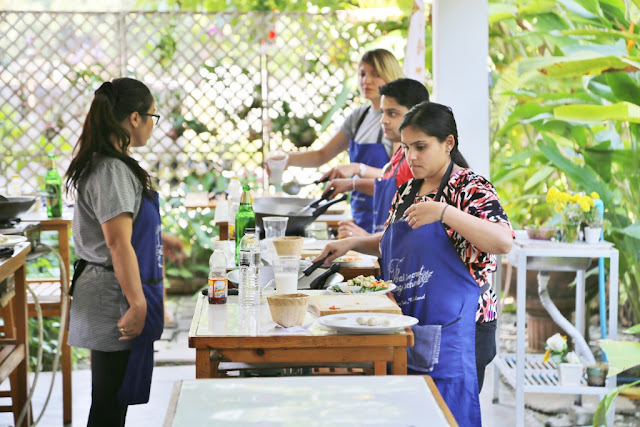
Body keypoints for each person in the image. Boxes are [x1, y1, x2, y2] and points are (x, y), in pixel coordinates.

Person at [314, 102, 513, 426]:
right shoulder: (407, 189)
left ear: (448, 143)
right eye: (406, 148)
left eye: (421, 147)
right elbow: (395, 243)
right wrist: (351, 243)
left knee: (447, 415)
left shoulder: (470, 187)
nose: (412, 156)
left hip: (460, 328)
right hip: (407, 320)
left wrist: (444, 212)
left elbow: (503, 241)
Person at [65, 77, 185, 426]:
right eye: (152, 116)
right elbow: (116, 243)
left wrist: (164, 238)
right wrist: (137, 302)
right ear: (134, 118)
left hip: (110, 287)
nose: (151, 124)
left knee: (115, 398)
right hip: (110, 294)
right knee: (109, 403)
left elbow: (122, 230)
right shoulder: (112, 169)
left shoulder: (113, 163)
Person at [265, 49, 404, 233]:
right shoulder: (358, 117)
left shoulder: (397, 120)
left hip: (387, 216)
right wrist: (286, 160)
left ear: (390, 75)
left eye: (375, 74)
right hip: (360, 215)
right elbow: (321, 155)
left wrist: (357, 169)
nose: (366, 81)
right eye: (362, 74)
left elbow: (395, 177)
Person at [319, 78, 429, 238]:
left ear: (419, 114)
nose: (383, 120)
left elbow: (411, 234)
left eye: (392, 113)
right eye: (382, 113)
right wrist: (351, 184)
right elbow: (388, 189)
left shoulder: (416, 163)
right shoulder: (400, 154)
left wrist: (364, 238)